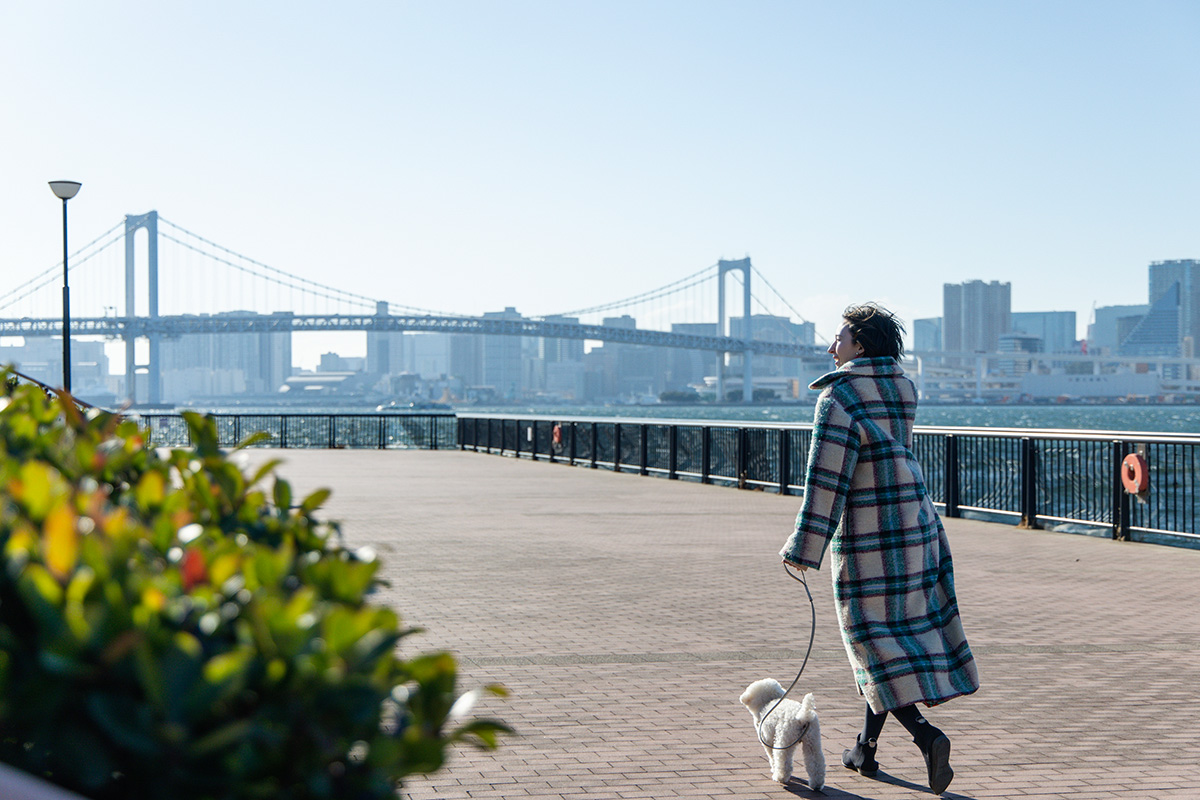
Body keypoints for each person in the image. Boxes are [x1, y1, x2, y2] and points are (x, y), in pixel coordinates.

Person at [779, 303, 978, 796]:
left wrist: (804, 547)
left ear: (860, 346)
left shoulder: (840, 397)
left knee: (870, 641)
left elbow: (826, 479)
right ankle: (864, 750)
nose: (831, 347)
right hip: (916, 526)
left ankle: (926, 737)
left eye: (840, 339)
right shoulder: (903, 388)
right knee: (890, 638)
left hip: (870, 537)